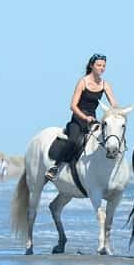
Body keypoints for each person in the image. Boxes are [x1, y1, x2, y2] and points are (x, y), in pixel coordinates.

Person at [46, 53, 120, 182]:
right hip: (78, 118)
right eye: (99, 65)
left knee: (105, 140)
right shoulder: (83, 82)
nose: (101, 68)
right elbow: (73, 106)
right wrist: (85, 118)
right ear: (92, 66)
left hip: (93, 120)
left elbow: (114, 104)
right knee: (74, 140)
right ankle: (55, 167)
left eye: (104, 66)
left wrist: (116, 113)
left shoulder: (105, 84)